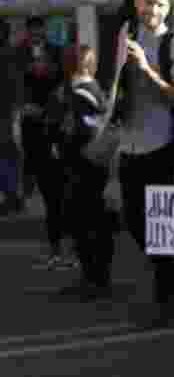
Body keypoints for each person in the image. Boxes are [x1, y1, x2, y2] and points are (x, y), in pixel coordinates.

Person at [117, 0, 174, 327]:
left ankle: (169, 301)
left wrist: (146, 68)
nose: (154, 10)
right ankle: (169, 288)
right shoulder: (122, 38)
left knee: (162, 228)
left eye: (161, 4)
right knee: (133, 221)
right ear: (136, 3)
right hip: (129, 142)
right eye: (149, 3)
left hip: (162, 144)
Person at [49, 45, 115, 301]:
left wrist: (60, 144)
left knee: (85, 224)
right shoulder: (97, 91)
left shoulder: (77, 95)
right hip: (97, 166)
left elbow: (78, 132)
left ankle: (94, 279)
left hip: (82, 167)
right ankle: (97, 277)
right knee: (97, 224)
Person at [16, 15, 70, 269]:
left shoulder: (56, 52)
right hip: (28, 125)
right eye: (33, 31)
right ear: (27, 33)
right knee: (35, 171)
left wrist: (51, 109)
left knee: (54, 187)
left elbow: (62, 84)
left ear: (44, 31)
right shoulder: (17, 54)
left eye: (40, 31)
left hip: (52, 126)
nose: (37, 35)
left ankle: (58, 244)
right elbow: (14, 83)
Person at [0, 18, 25, 215]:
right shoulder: (12, 55)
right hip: (9, 114)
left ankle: (11, 197)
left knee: (7, 156)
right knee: (10, 156)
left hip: (6, 115)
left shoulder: (7, 56)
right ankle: (13, 197)